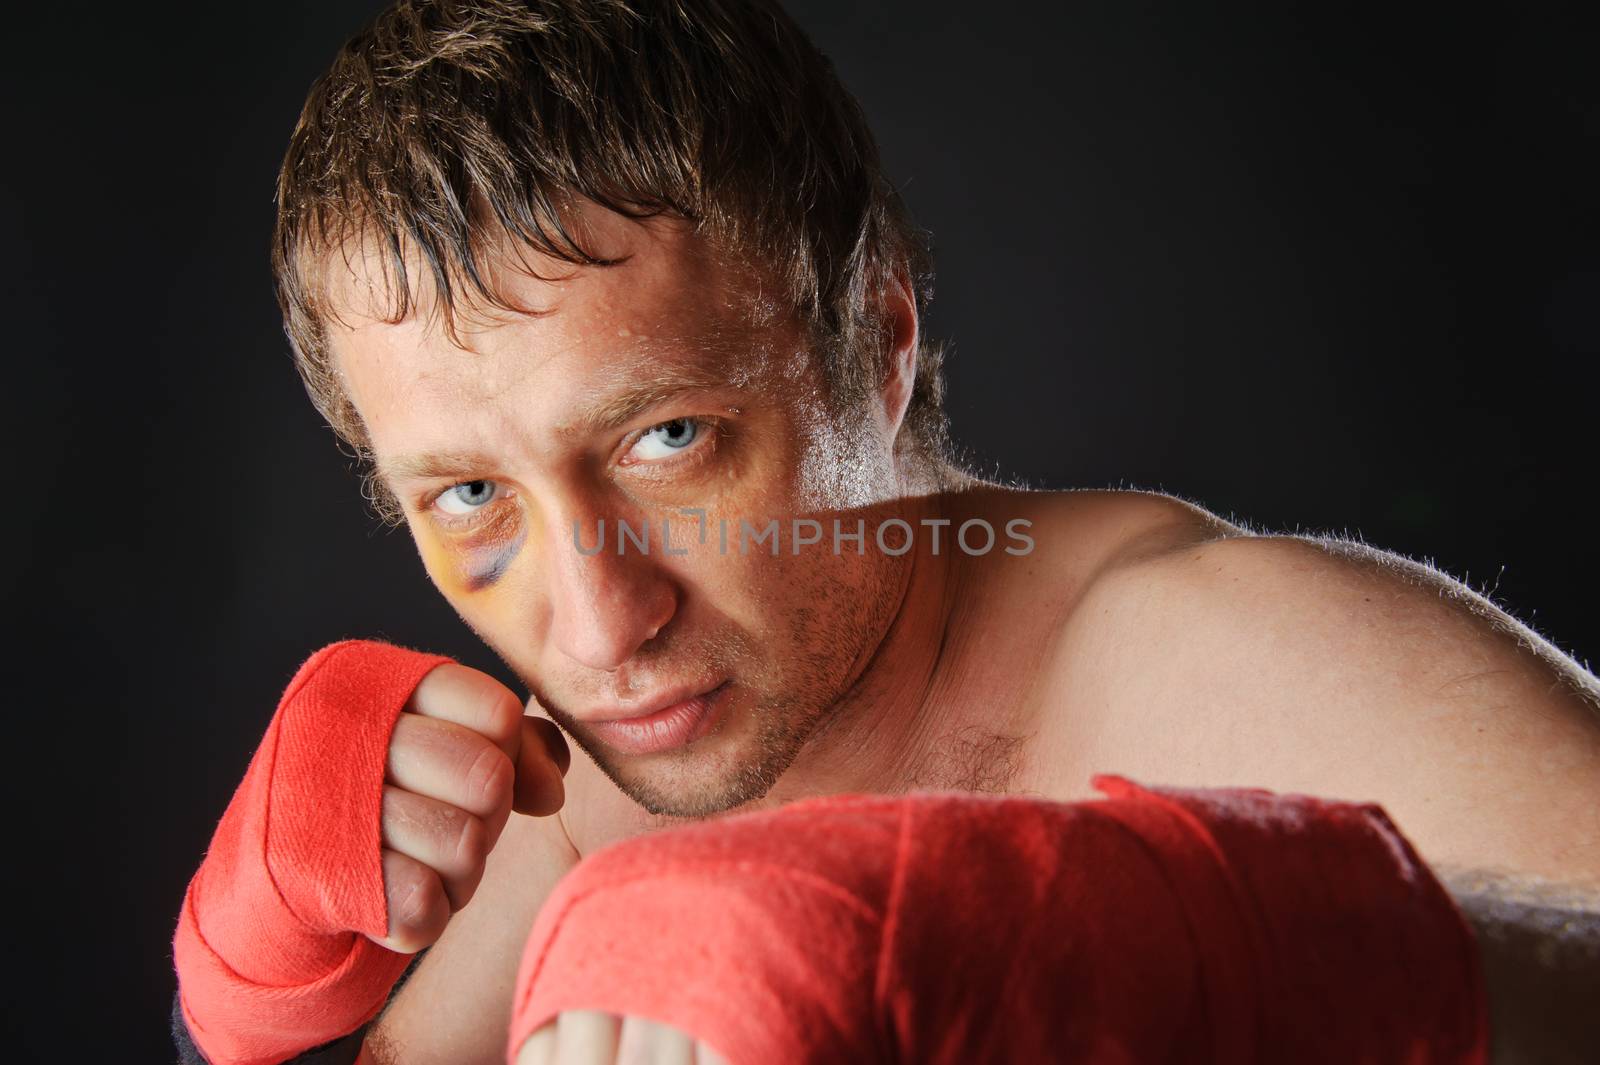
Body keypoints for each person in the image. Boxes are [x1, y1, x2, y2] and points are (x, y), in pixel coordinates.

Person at [171, 1, 1600, 1062]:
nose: (600, 630)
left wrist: (1190, 942)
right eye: (473, 496)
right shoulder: (570, 810)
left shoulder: (1212, 655)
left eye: (669, 439)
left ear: (881, 338)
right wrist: (243, 1015)